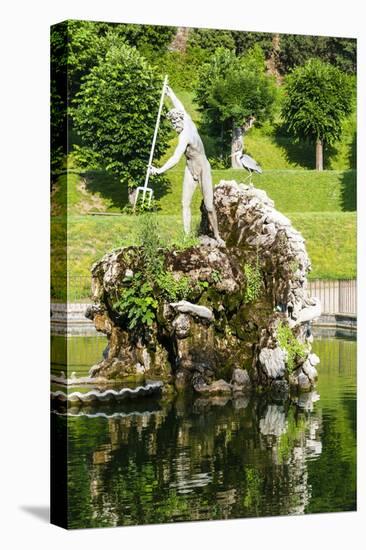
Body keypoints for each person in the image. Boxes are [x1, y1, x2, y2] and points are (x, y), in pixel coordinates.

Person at [150, 85, 224, 246]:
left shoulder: (185, 135)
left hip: (203, 167)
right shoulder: (186, 121)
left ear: (181, 120)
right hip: (190, 168)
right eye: (172, 123)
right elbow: (180, 107)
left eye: (176, 121)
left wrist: (159, 170)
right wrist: (170, 93)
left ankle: (217, 236)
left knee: (209, 206)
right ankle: (186, 237)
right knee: (185, 204)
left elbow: (176, 157)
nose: (175, 125)